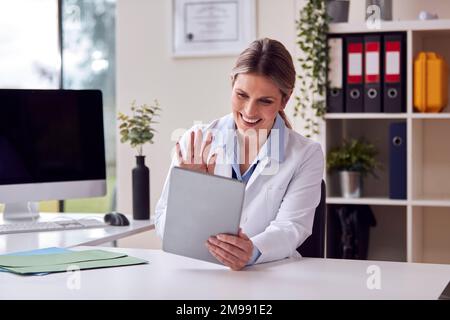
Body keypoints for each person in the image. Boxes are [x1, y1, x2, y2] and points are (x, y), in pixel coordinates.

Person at [155, 38, 324, 271]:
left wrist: (251, 251)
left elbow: (292, 226)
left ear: (285, 99)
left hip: (269, 274)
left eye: (265, 101)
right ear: (232, 83)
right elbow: (163, 221)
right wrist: (192, 192)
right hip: (200, 272)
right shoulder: (196, 141)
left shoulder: (306, 154)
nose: (249, 111)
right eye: (242, 95)